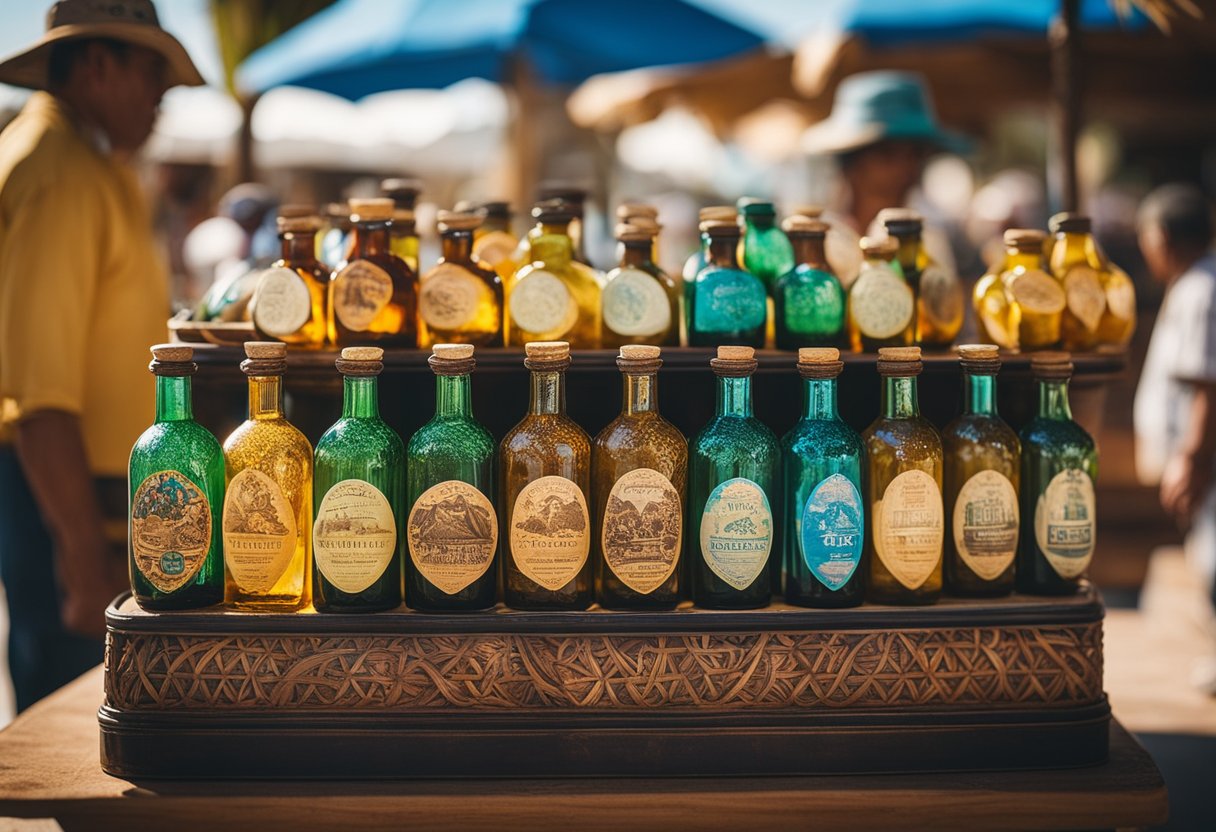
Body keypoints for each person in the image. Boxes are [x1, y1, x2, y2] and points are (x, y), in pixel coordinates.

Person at [0, 0, 204, 711]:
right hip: (68, 499)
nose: (162, 98)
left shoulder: (84, 162)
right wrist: (82, 562)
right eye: (153, 72)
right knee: (73, 736)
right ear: (96, 66)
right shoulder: (60, 174)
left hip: (92, 497)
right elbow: (40, 396)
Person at [1132, 183, 1216, 693]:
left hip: (1206, 455)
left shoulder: (1201, 290)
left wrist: (1191, 456)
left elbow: (1206, 382)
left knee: (1213, 560)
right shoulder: (1195, 285)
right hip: (1202, 455)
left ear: (1160, 238)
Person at [801, 71, 965, 283]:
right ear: (851, 164)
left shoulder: (930, 243)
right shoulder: (819, 242)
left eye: (915, 154)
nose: (904, 167)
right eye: (887, 153)